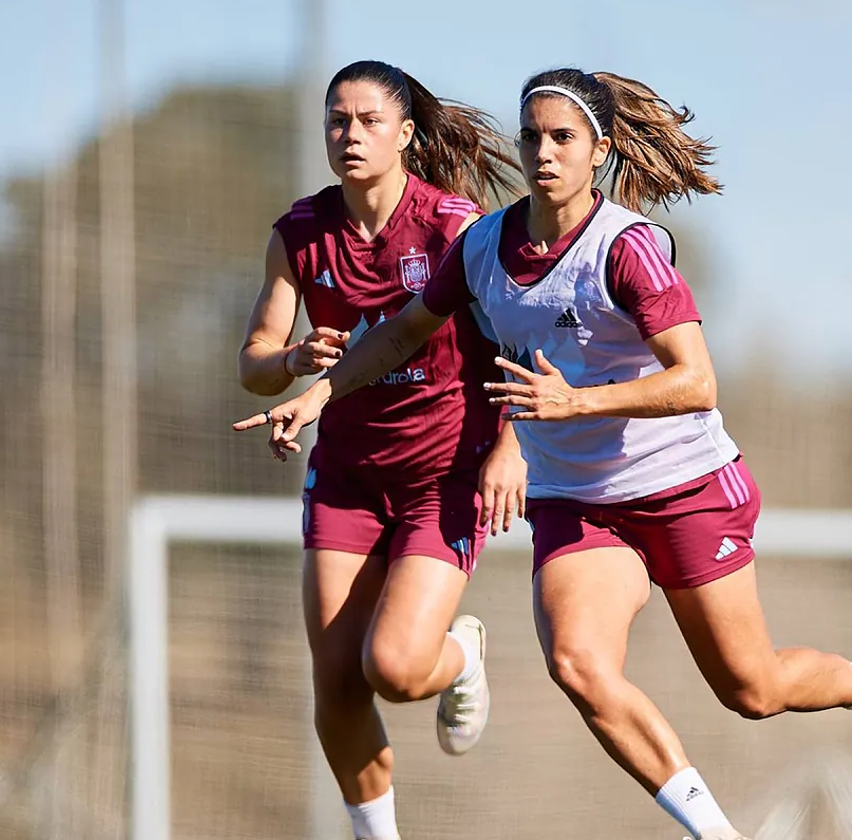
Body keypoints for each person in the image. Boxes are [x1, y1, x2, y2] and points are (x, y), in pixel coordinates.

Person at [237, 67, 852, 840]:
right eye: (531, 136)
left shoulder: (626, 249)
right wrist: (320, 390)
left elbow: (697, 382)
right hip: (578, 500)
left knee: (752, 688)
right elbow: (400, 333)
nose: (543, 152)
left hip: (682, 485)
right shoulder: (483, 246)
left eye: (562, 138)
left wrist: (575, 403)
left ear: (598, 150)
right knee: (578, 665)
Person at [235, 60, 526, 840]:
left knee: (394, 669)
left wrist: (512, 446)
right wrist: (290, 360)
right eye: (337, 120)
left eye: (368, 121)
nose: (350, 134)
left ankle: (461, 655)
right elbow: (254, 361)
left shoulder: (455, 229)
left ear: (405, 134)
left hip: (443, 474)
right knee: (335, 681)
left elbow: (518, 343)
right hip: (348, 481)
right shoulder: (300, 233)